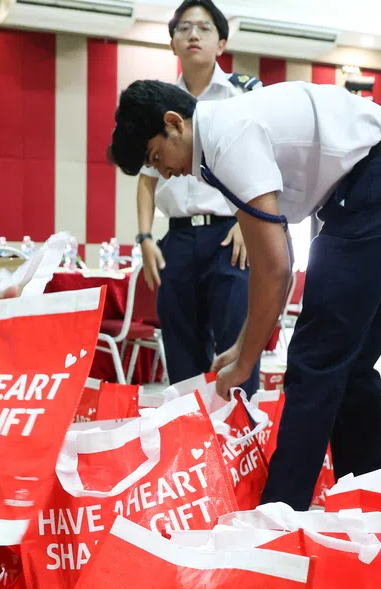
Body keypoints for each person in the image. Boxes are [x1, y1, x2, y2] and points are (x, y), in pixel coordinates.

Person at [109, 79, 381, 510]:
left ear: (174, 123)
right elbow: (277, 267)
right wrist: (242, 342)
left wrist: (245, 360)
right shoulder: (224, 136)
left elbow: (275, 267)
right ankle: (366, 502)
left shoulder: (226, 136)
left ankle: (279, 513)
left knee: (313, 360)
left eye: (157, 157)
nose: (165, 173)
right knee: (350, 360)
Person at [133, 0, 261, 395]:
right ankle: (190, 439)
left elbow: (263, 158)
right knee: (181, 349)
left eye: (204, 28)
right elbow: (146, 178)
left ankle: (241, 433)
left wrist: (250, 222)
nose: (193, 35)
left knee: (235, 347)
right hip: (179, 240)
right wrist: (145, 238)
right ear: (172, 43)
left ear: (221, 42)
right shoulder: (157, 103)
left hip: (230, 237)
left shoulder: (243, 92)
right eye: (184, 28)